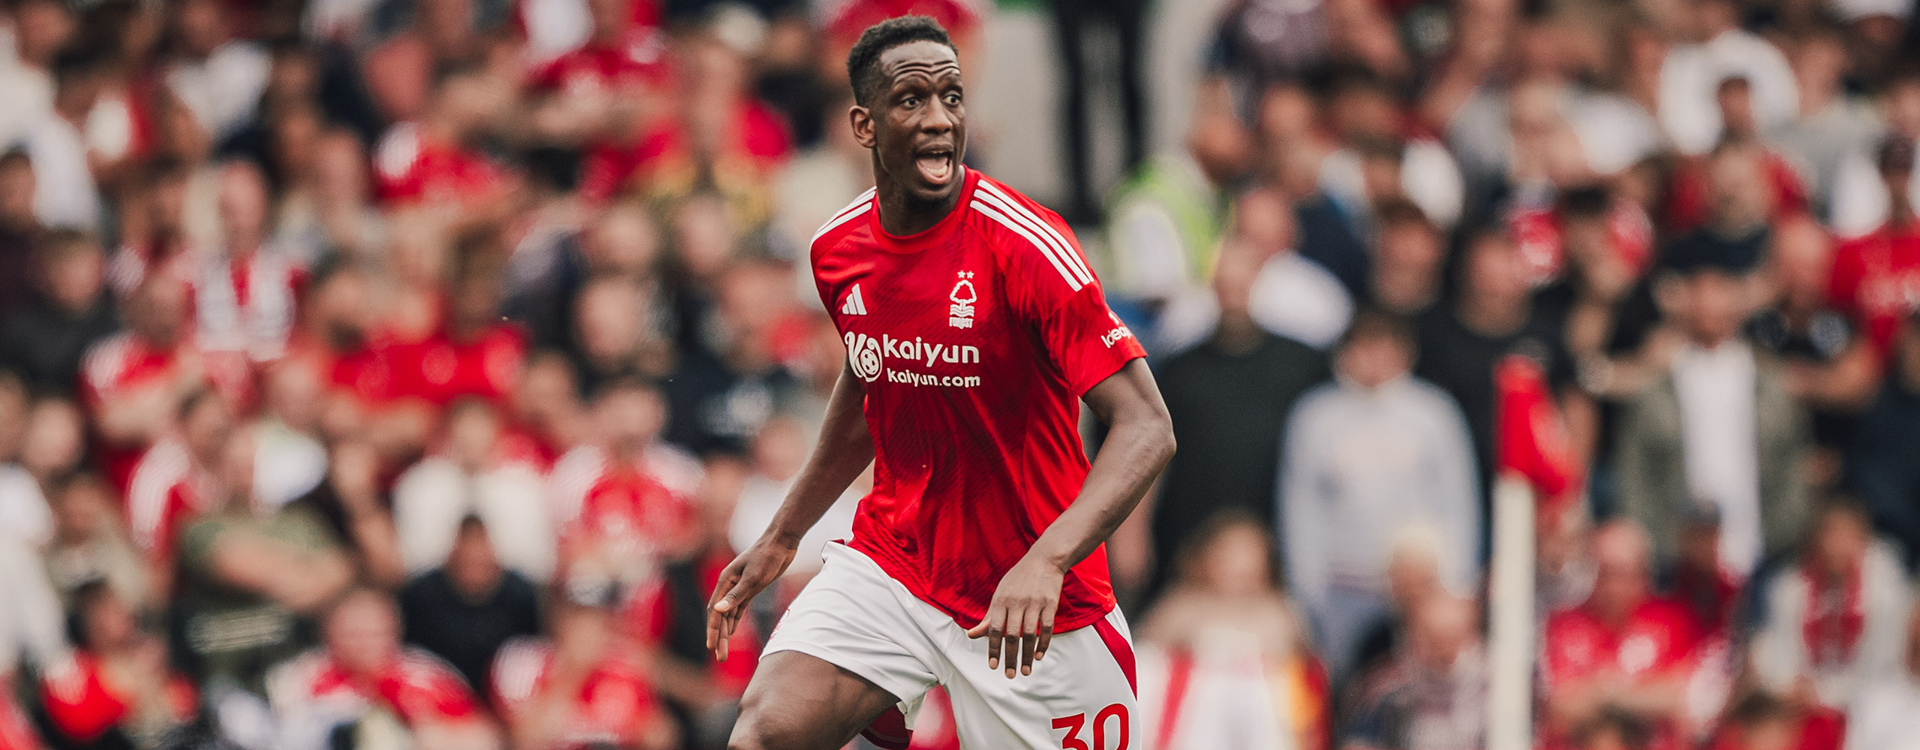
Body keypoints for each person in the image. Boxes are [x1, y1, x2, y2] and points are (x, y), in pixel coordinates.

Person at [706, 17, 1174, 750]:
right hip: (899, 564)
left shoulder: (1026, 244)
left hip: (1035, 598)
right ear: (864, 124)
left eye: (951, 97)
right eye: (912, 100)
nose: (938, 120)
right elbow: (873, 380)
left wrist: (1048, 559)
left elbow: (1148, 426)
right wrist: (784, 534)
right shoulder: (837, 250)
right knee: (766, 731)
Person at [1279, 309, 1481, 680]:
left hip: (1421, 586)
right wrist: (1305, 592)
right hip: (1343, 587)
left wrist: (1457, 582)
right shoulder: (1315, 416)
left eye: (1385, 347)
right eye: (1364, 347)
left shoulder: (1433, 413)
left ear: (1405, 353)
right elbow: (1302, 510)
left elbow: (1457, 502)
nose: (1374, 359)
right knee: (1345, 685)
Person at [1149, 232, 1328, 596]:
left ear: (1258, 283)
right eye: (1224, 285)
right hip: (1190, 539)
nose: (1232, 294)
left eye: (1241, 283)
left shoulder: (1302, 364)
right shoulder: (1179, 369)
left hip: (1280, 536)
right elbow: (1147, 452)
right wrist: (1131, 535)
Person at [1614, 248, 1812, 576]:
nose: (1709, 305)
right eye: (1699, 293)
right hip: (1676, 560)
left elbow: (1795, 464)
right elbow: (1635, 473)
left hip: (1762, 552)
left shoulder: (1769, 384)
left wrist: (1782, 533)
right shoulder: (1657, 388)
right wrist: (1658, 541)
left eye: (1719, 292)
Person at [1136, 512, 1325, 750]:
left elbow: (1299, 669)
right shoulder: (1182, 606)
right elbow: (1149, 661)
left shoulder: (1280, 612)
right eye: (1230, 554)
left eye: (1249, 553)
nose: (1240, 565)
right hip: (1194, 724)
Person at [266, 589, 501, 750]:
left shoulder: (425, 676)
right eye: (353, 634)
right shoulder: (300, 677)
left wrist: (421, 731)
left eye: (374, 633)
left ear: (395, 631)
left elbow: (485, 736)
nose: (364, 643)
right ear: (328, 634)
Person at [1540, 521, 1703, 750]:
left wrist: (1607, 691)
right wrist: (1637, 692)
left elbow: (1676, 696)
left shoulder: (1671, 621)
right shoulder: (1565, 625)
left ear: (1643, 575)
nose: (1612, 585)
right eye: (1604, 572)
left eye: (1621, 573)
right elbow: (1559, 704)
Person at [1750, 500, 1911, 710]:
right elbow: (1779, 652)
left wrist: (1827, 695)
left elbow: (1885, 663)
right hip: (1804, 702)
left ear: (1863, 539)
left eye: (1846, 537)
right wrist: (1789, 685)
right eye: (1830, 535)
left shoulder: (1886, 585)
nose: (1837, 546)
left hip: (1867, 700)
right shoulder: (1789, 586)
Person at [401, 516, 544, 696]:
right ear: (453, 553)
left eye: (479, 559)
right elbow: (410, 658)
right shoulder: (421, 596)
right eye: (467, 558)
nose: (472, 560)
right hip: (436, 696)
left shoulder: (519, 596)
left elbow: (531, 655)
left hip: (507, 696)